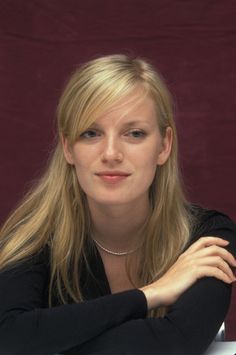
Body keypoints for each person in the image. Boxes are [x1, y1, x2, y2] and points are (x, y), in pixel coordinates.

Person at [0, 54, 235, 355]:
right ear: (68, 147)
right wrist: (149, 295)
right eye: (91, 133)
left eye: (134, 134)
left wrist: (53, 341)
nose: (111, 153)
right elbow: (9, 337)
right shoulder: (33, 236)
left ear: (164, 146)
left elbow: (176, 343)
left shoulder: (207, 238)